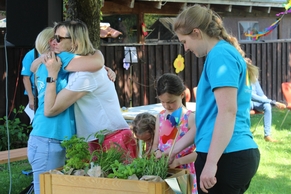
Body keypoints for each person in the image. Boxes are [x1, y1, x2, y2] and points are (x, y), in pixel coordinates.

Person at [166, 4, 260, 194]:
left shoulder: (220, 55)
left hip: (226, 155)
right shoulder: (220, 54)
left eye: (184, 41)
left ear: (197, 33)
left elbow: (227, 112)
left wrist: (211, 163)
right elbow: (205, 122)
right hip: (229, 154)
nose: (185, 48)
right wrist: (172, 150)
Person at [27, 25, 114, 194]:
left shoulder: (48, 63)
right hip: (49, 138)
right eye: (56, 39)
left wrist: (103, 69)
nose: (57, 42)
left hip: (45, 137)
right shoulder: (61, 57)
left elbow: (32, 66)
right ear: (51, 44)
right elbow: (96, 62)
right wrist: (100, 59)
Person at [42, 20, 137, 159]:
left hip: (112, 139)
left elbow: (50, 110)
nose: (53, 42)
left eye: (58, 38)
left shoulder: (86, 75)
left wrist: (51, 75)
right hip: (98, 138)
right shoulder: (81, 67)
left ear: (75, 42)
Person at [153, 73, 198, 194]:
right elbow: (155, 144)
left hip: (183, 172)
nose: (167, 105)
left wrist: (178, 162)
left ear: (182, 94)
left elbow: (200, 153)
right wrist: (156, 152)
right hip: (164, 171)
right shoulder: (160, 116)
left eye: (171, 101)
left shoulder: (190, 118)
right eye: (163, 102)